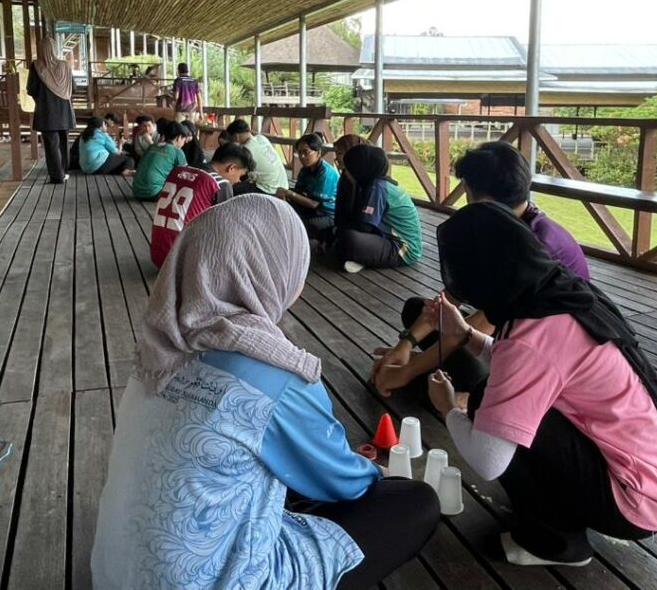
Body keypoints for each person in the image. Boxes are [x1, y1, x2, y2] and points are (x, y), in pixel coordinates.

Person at [92, 197, 440, 589]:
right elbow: (346, 483)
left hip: (114, 574)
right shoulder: (277, 375)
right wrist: (380, 474)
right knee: (415, 503)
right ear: (265, 269)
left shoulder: (157, 352)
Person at [423, 202, 657, 567]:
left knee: (489, 403)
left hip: (632, 500)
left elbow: (488, 461)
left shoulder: (531, 335)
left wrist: (447, 407)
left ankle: (556, 543)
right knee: (503, 402)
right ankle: (558, 519)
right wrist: (465, 334)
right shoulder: (560, 292)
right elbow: (529, 365)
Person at [372, 140, 590, 396]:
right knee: (416, 309)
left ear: (477, 194)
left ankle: (469, 395)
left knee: (458, 362)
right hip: (508, 332)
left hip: (551, 358)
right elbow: (451, 298)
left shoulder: (534, 246)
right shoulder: (504, 227)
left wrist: (408, 370)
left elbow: (476, 328)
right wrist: (406, 344)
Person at [149, 142, 255, 268]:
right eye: (241, 176)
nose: (238, 181)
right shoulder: (220, 183)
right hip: (183, 264)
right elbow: (225, 229)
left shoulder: (177, 170)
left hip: (158, 256)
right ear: (232, 167)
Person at [333, 145, 421, 274]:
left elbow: (365, 227)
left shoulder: (377, 187)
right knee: (340, 237)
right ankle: (365, 258)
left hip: (402, 249)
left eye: (348, 168)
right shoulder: (376, 183)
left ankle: (365, 258)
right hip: (386, 238)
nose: (345, 172)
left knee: (348, 238)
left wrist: (337, 231)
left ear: (359, 169)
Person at [26, 37, 75, 184]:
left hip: (46, 112)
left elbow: (31, 89)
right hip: (65, 112)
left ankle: (57, 176)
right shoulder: (65, 65)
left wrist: (42, 97)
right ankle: (64, 172)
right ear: (54, 49)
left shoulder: (36, 66)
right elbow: (74, 87)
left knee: (51, 145)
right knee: (63, 143)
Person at [278, 132, 339, 241]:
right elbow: (298, 192)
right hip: (313, 208)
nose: (302, 156)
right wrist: (286, 196)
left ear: (318, 153)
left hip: (328, 213)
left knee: (304, 225)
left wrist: (288, 193)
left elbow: (314, 204)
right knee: (284, 208)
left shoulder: (326, 173)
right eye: (299, 152)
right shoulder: (305, 170)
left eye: (306, 152)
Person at [223, 119, 290, 196]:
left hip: (271, 190)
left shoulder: (245, 150)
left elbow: (237, 174)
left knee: (231, 189)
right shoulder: (261, 138)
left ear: (236, 137)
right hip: (284, 186)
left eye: (231, 140)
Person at [132, 121, 189, 200]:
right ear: (179, 137)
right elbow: (185, 176)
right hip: (154, 193)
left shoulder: (152, 146)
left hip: (136, 191)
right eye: (184, 140)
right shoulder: (177, 151)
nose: (183, 144)